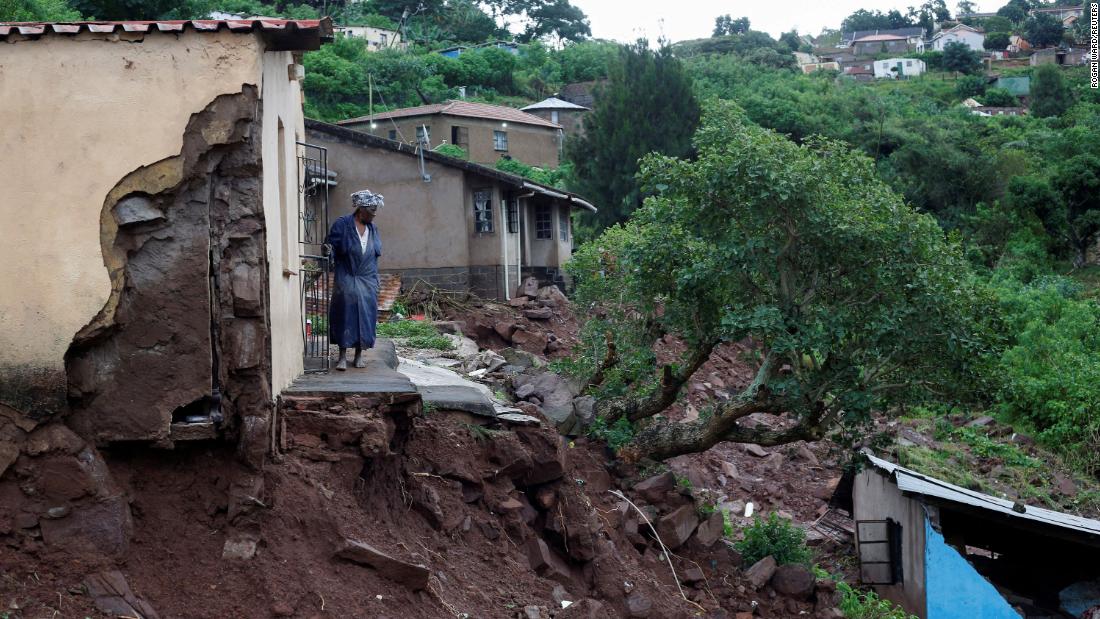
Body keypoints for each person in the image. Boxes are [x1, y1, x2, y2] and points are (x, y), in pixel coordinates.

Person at [325, 190, 383, 371]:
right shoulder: (343, 224)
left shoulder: (373, 229)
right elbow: (331, 246)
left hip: (367, 279)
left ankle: (359, 354)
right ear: (361, 209)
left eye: (375, 210)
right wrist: (328, 252)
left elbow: (375, 256)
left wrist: (376, 280)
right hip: (347, 275)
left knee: (366, 316)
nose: (374, 214)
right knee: (344, 313)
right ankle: (342, 356)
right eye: (372, 210)